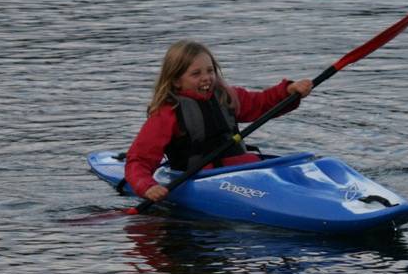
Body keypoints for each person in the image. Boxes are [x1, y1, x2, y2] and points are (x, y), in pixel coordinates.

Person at [124, 40, 313, 202]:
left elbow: (262, 103)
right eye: (196, 74)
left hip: (247, 171)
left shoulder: (226, 97)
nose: (206, 78)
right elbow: (139, 160)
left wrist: (288, 91)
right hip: (205, 180)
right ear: (176, 81)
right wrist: (146, 186)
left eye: (210, 70)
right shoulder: (167, 114)